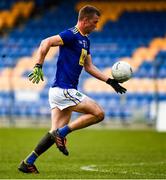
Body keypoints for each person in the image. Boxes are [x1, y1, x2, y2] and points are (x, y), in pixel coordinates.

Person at [18, 5, 127, 174]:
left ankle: (28, 162)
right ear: (84, 20)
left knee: (53, 133)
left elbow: (89, 67)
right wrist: (38, 64)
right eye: (94, 22)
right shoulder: (71, 34)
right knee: (99, 113)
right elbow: (45, 42)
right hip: (64, 90)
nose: (96, 26)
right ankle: (62, 133)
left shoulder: (85, 40)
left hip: (59, 92)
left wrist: (110, 81)